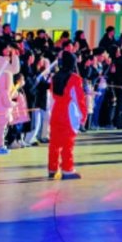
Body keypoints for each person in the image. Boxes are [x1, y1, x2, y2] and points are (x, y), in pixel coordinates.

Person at [47, 51, 88, 180]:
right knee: (67, 143)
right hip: (68, 112)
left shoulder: (55, 76)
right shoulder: (75, 78)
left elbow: (52, 95)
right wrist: (83, 115)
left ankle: (52, 168)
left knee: (54, 143)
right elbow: (79, 99)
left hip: (55, 111)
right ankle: (67, 169)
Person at [0, 45, 20, 155]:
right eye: (7, 48)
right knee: (1, 128)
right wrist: (13, 103)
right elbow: (15, 69)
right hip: (3, 106)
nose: (9, 50)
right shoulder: (4, 66)